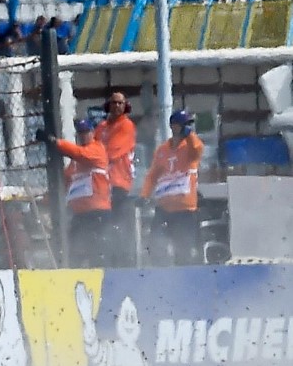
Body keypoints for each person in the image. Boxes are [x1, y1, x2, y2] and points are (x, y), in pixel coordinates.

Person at [44, 120, 115, 268]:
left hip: (98, 211)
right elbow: (64, 181)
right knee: (73, 249)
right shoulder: (75, 163)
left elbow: (80, 153)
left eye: (86, 132)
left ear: (93, 133)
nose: (83, 136)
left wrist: (55, 142)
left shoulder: (96, 149)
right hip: (80, 213)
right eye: (80, 133)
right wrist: (45, 200)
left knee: (97, 250)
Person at [141, 110, 205, 266]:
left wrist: (189, 135)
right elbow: (152, 176)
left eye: (190, 124)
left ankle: (184, 280)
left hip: (185, 210)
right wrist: (144, 195)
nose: (188, 127)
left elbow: (197, 149)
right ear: (173, 126)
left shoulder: (191, 146)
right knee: (155, 243)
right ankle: (161, 276)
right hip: (164, 209)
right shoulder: (162, 150)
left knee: (184, 249)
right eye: (185, 124)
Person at [95, 90, 139, 265]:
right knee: (104, 223)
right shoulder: (101, 127)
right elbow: (93, 147)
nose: (117, 106)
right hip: (101, 183)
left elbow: (113, 150)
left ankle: (122, 261)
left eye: (120, 103)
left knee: (118, 222)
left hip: (119, 181)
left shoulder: (126, 126)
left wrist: (95, 156)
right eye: (114, 103)